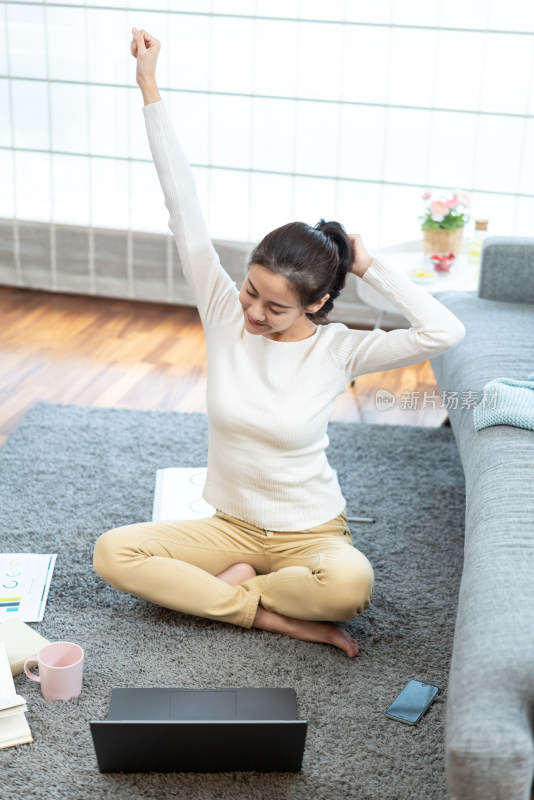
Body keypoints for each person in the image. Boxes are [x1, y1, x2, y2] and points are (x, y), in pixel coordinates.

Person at [92, 28, 466, 658]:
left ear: (317, 304)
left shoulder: (340, 349)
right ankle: (264, 612)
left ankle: (238, 592)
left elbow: (443, 332)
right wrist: (149, 86)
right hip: (229, 527)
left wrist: (369, 266)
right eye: (250, 292)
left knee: (350, 586)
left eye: (275, 306)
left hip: (310, 534)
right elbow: (181, 203)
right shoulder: (222, 309)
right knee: (113, 553)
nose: (254, 314)